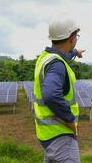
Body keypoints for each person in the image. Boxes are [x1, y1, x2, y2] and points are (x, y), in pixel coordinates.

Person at [33, 15, 85, 163]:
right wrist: (69, 120)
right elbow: (50, 95)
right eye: (76, 36)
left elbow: (62, 57)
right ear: (72, 38)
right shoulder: (57, 65)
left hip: (47, 133)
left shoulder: (46, 57)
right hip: (60, 134)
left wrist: (75, 53)